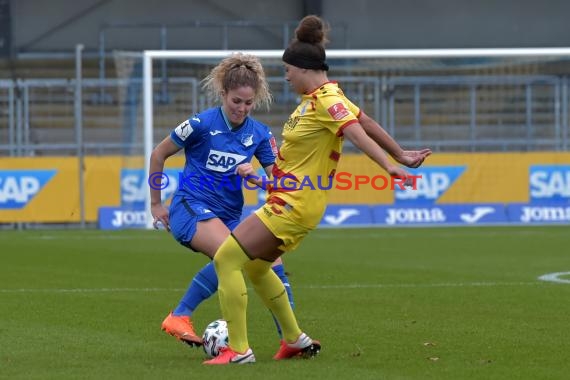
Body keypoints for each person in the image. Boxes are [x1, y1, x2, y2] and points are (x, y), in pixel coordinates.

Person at [204, 15, 432, 365]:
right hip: (292, 200)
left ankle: (238, 350)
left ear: (303, 68)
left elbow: (357, 130)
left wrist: (389, 165)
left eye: (287, 71)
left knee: (226, 260)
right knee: (255, 268)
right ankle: (294, 340)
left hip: (293, 204)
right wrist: (398, 151)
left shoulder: (325, 99)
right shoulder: (326, 97)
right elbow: (366, 121)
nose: (286, 76)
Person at [149, 52, 294, 348]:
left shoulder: (260, 134)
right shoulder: (200, 124)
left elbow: (277, 183)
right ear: (223, 93)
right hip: (191, 208)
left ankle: (289, 339)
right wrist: (155, 204)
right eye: (236, 102)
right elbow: (158, 154)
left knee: (272, 257)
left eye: (248, 103)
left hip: (229, 216)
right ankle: (179, 315)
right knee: (235, 256)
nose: (242, 109)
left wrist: (256, 179)